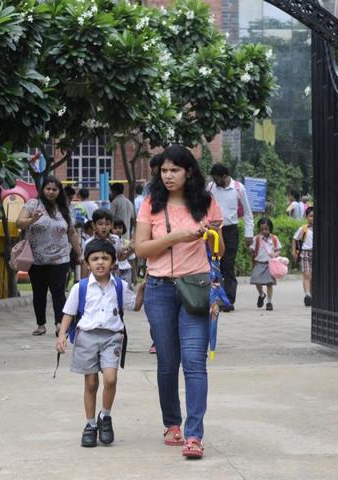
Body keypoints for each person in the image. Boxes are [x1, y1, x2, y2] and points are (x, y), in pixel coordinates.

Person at [135, 144, 224, 459]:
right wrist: (176, 237)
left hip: (195, 288)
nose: (168, 175)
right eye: (164, 170)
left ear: (189, 172)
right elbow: (141, 250)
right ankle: (171, 422)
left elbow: (219, 251)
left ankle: (194, 434)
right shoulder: (150, 204)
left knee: (195, 362)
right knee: (168, 362)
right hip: (159, 288)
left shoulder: (206, 203)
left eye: (175, 170)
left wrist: (211, 233)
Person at [56, 239, 145, 448]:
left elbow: (135, 306)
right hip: (87, 337)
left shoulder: (120, 286)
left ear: (113, 262)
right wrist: (61, 336)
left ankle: (105, 417)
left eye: (105, 258)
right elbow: (68, 312)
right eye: (95, 259)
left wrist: (143, 289)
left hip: (112, 337)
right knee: (91, 383)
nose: (100, 262)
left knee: (111, 379)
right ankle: (90, 425)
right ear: (87, 263)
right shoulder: (81, 287)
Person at [16, 175, 83, 336]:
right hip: (36, 259)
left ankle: (60, 323)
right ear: (42, 190)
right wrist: (32, 220)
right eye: (48, 189)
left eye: (55, 189)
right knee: (39, 292)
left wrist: (80, 253)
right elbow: (19, 222)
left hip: (60, 258)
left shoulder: (64, 208)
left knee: (58, 291)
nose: (51, 192)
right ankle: (41, 324)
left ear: (59, 191)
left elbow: (71, 232)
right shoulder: (33, 204)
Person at [207, 163, 253, 312]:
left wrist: (249, 234)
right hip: (214, 230)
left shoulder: (239, 188)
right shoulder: (210, 188)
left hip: (231, 230)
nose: (215, 181)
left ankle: (228, 300)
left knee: (228, 264)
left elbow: (247, 212)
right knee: (214, 264)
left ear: (225, 177)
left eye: (217, 178)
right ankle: (216, 297)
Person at [81, 209, 125, 279]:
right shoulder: (89, 243)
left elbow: (120, 257)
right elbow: (85, 263)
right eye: (100, 224)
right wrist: (83, 280)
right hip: (96, 277)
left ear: (111, 225)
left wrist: (130, 250)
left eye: (107, 224)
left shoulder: (116, 240)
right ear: (94, 225)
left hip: (113, 276)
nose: (104, 227)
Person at [250, 217, 281, 311]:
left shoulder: (274, 239)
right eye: (262, 229)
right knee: (256, 281)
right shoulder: (257, 239)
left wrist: (275, 254)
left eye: (266, 229)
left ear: (270, 228)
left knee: (269, 284)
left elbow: (278, 250)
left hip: (270, 264)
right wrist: (250, 249)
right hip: (258, 263)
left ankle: (269, 302)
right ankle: (261, 294)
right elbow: (252, 249)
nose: (264, 231)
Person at [292, 206, 314, 307]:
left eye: (314, 216)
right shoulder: (303, 229)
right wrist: (293, 252)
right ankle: (307, 295)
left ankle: (313, 294)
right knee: (307, 274)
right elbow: (295, 239)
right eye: (310, 216)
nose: (312, 218)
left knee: (313, 276)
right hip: (305, 253)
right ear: (306, 217)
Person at [111, 219, 135, 290]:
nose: (118, 230)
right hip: (115, 271)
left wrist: (134, 275)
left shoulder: (126, 242)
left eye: (120, 228)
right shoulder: (109, 242)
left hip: (126, 271)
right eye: (115, 228)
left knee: (126, 290)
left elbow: (131, 260)